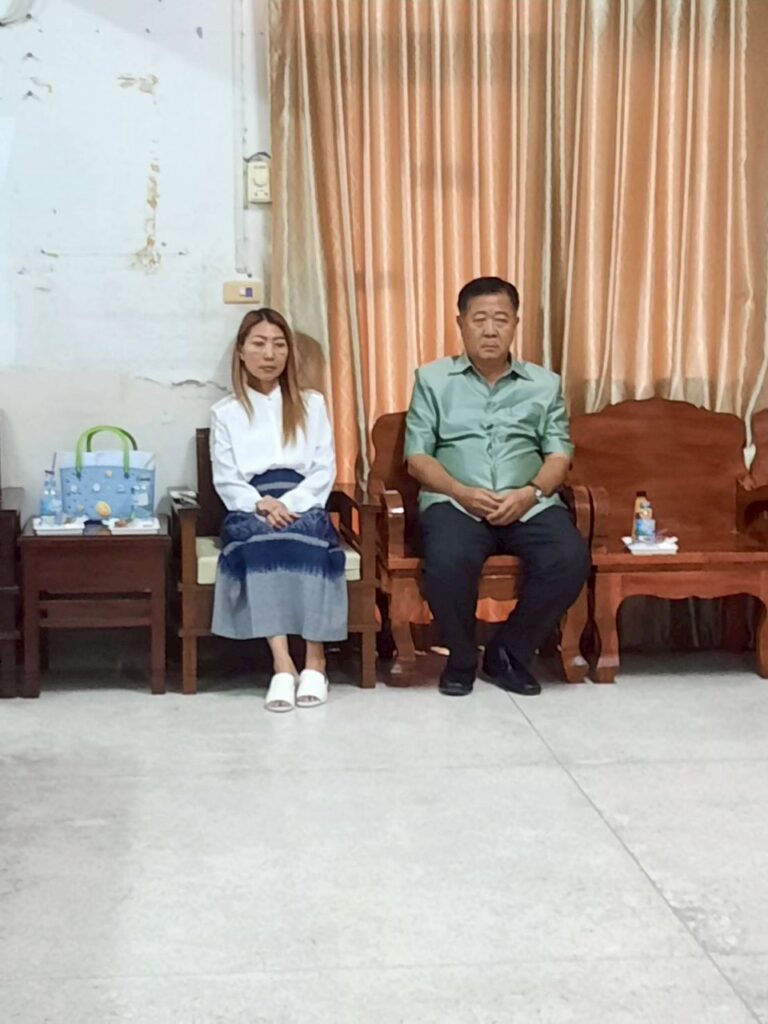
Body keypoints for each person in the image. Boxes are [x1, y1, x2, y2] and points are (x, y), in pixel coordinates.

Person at [404, 276, 590, 697]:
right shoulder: (433, 380)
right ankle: (460, 658)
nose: (490, 330)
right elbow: (417, 457)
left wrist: (531, 493)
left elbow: (559, 454)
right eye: (480, 319)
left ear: (515, 324)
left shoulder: (544, 384)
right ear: (461, 323)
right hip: (456, 501)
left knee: (569, 557)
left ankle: (508, 651)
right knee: (448, 558)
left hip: (529, 502)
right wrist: (461, 492)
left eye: (501, 320)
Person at [209, 308, 347, 712]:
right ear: (241, 351)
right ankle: (283, 664)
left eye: (279, 344)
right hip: (252, 503)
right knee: (260, 540)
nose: (269, 354)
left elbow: (324, 468)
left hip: (303, 498)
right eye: (259, 344)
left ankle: (316, 662)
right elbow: (226, 477)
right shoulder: (226, 412)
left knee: (309, 537)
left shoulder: (312, 404)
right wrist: (261, 503)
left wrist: (290, 504)